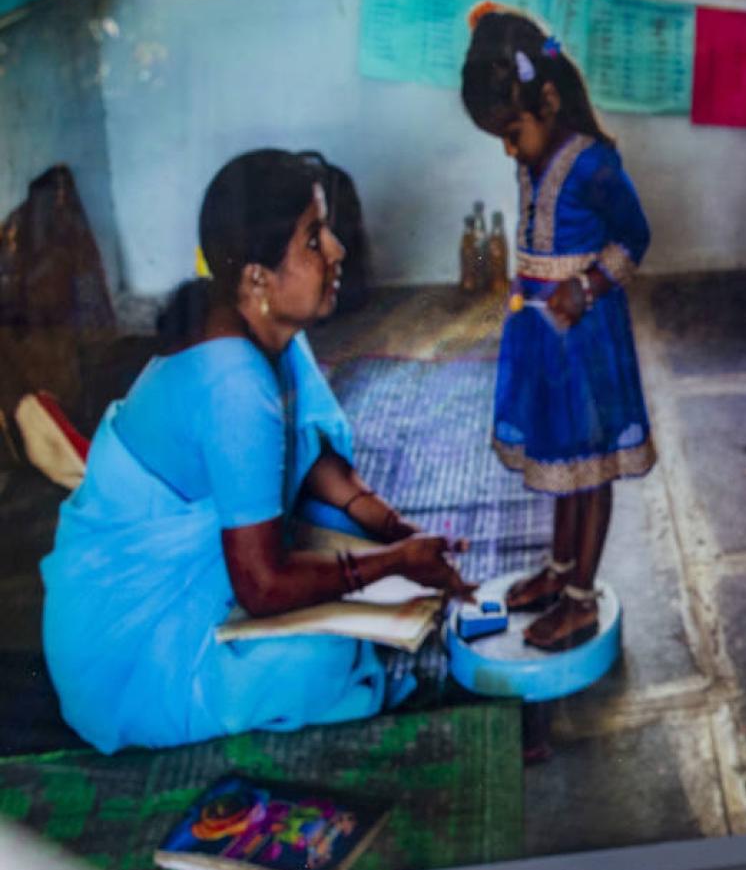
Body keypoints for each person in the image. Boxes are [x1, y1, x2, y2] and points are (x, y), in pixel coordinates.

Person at [41, 150, 473, 754]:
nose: (337, 252)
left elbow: (307, 447)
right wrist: (395, 561)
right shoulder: (233, 383)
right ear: (257, 278)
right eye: (313, 241)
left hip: (189, 584)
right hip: (130, 649)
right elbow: (263, 587)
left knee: (333, 534)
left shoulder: (256, 328)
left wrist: (391, 526)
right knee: (322, 658)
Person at [461, 3, 655, 653]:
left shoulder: (594, 163)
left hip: (587, 337)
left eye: (513, 130)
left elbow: (636, 237)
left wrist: (586, 285)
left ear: (548, 98)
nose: (510, 149)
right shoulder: (532, 159)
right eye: (501, 139)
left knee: (589, 468)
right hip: (542, 340)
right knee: (564, 465)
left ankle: (580, 601)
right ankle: (560, 572)